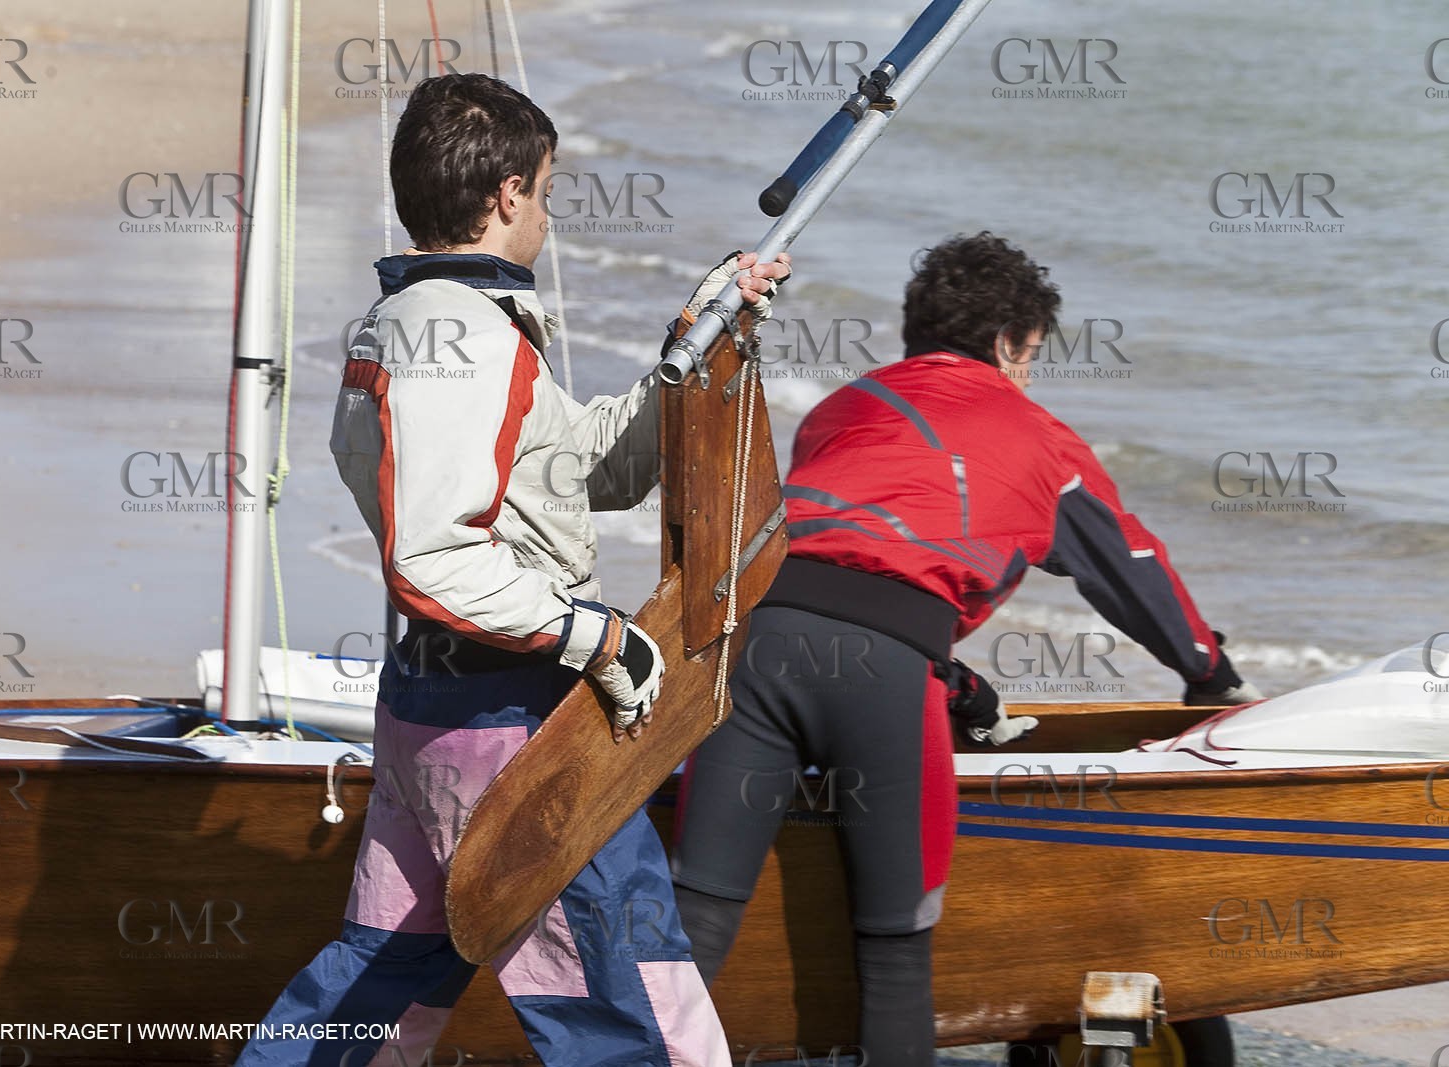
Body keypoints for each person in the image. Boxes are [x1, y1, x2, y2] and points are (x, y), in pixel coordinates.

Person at [234, 73, 790, 1067]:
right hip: (508, 714)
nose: (545, 211)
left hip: (432, 709)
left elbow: (589, 471)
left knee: (376, 993)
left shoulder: (417, 319)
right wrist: (603, 637)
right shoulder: (459, 337)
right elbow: (431, 556)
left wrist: (696, 342)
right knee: (641, 1023)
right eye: (543, 189)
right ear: (505, 196)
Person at [669, 232, 1259, 1067]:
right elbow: (1131, 569)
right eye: (1030, 357)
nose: (1028, 375)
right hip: (880, 677)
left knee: (695, 921)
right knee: (897, 956)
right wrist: (1210, 673)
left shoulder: (843, 408)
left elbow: (851, 552)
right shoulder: (1043, 439)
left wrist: (954, 678)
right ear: (1006, 345)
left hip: (748, 647)